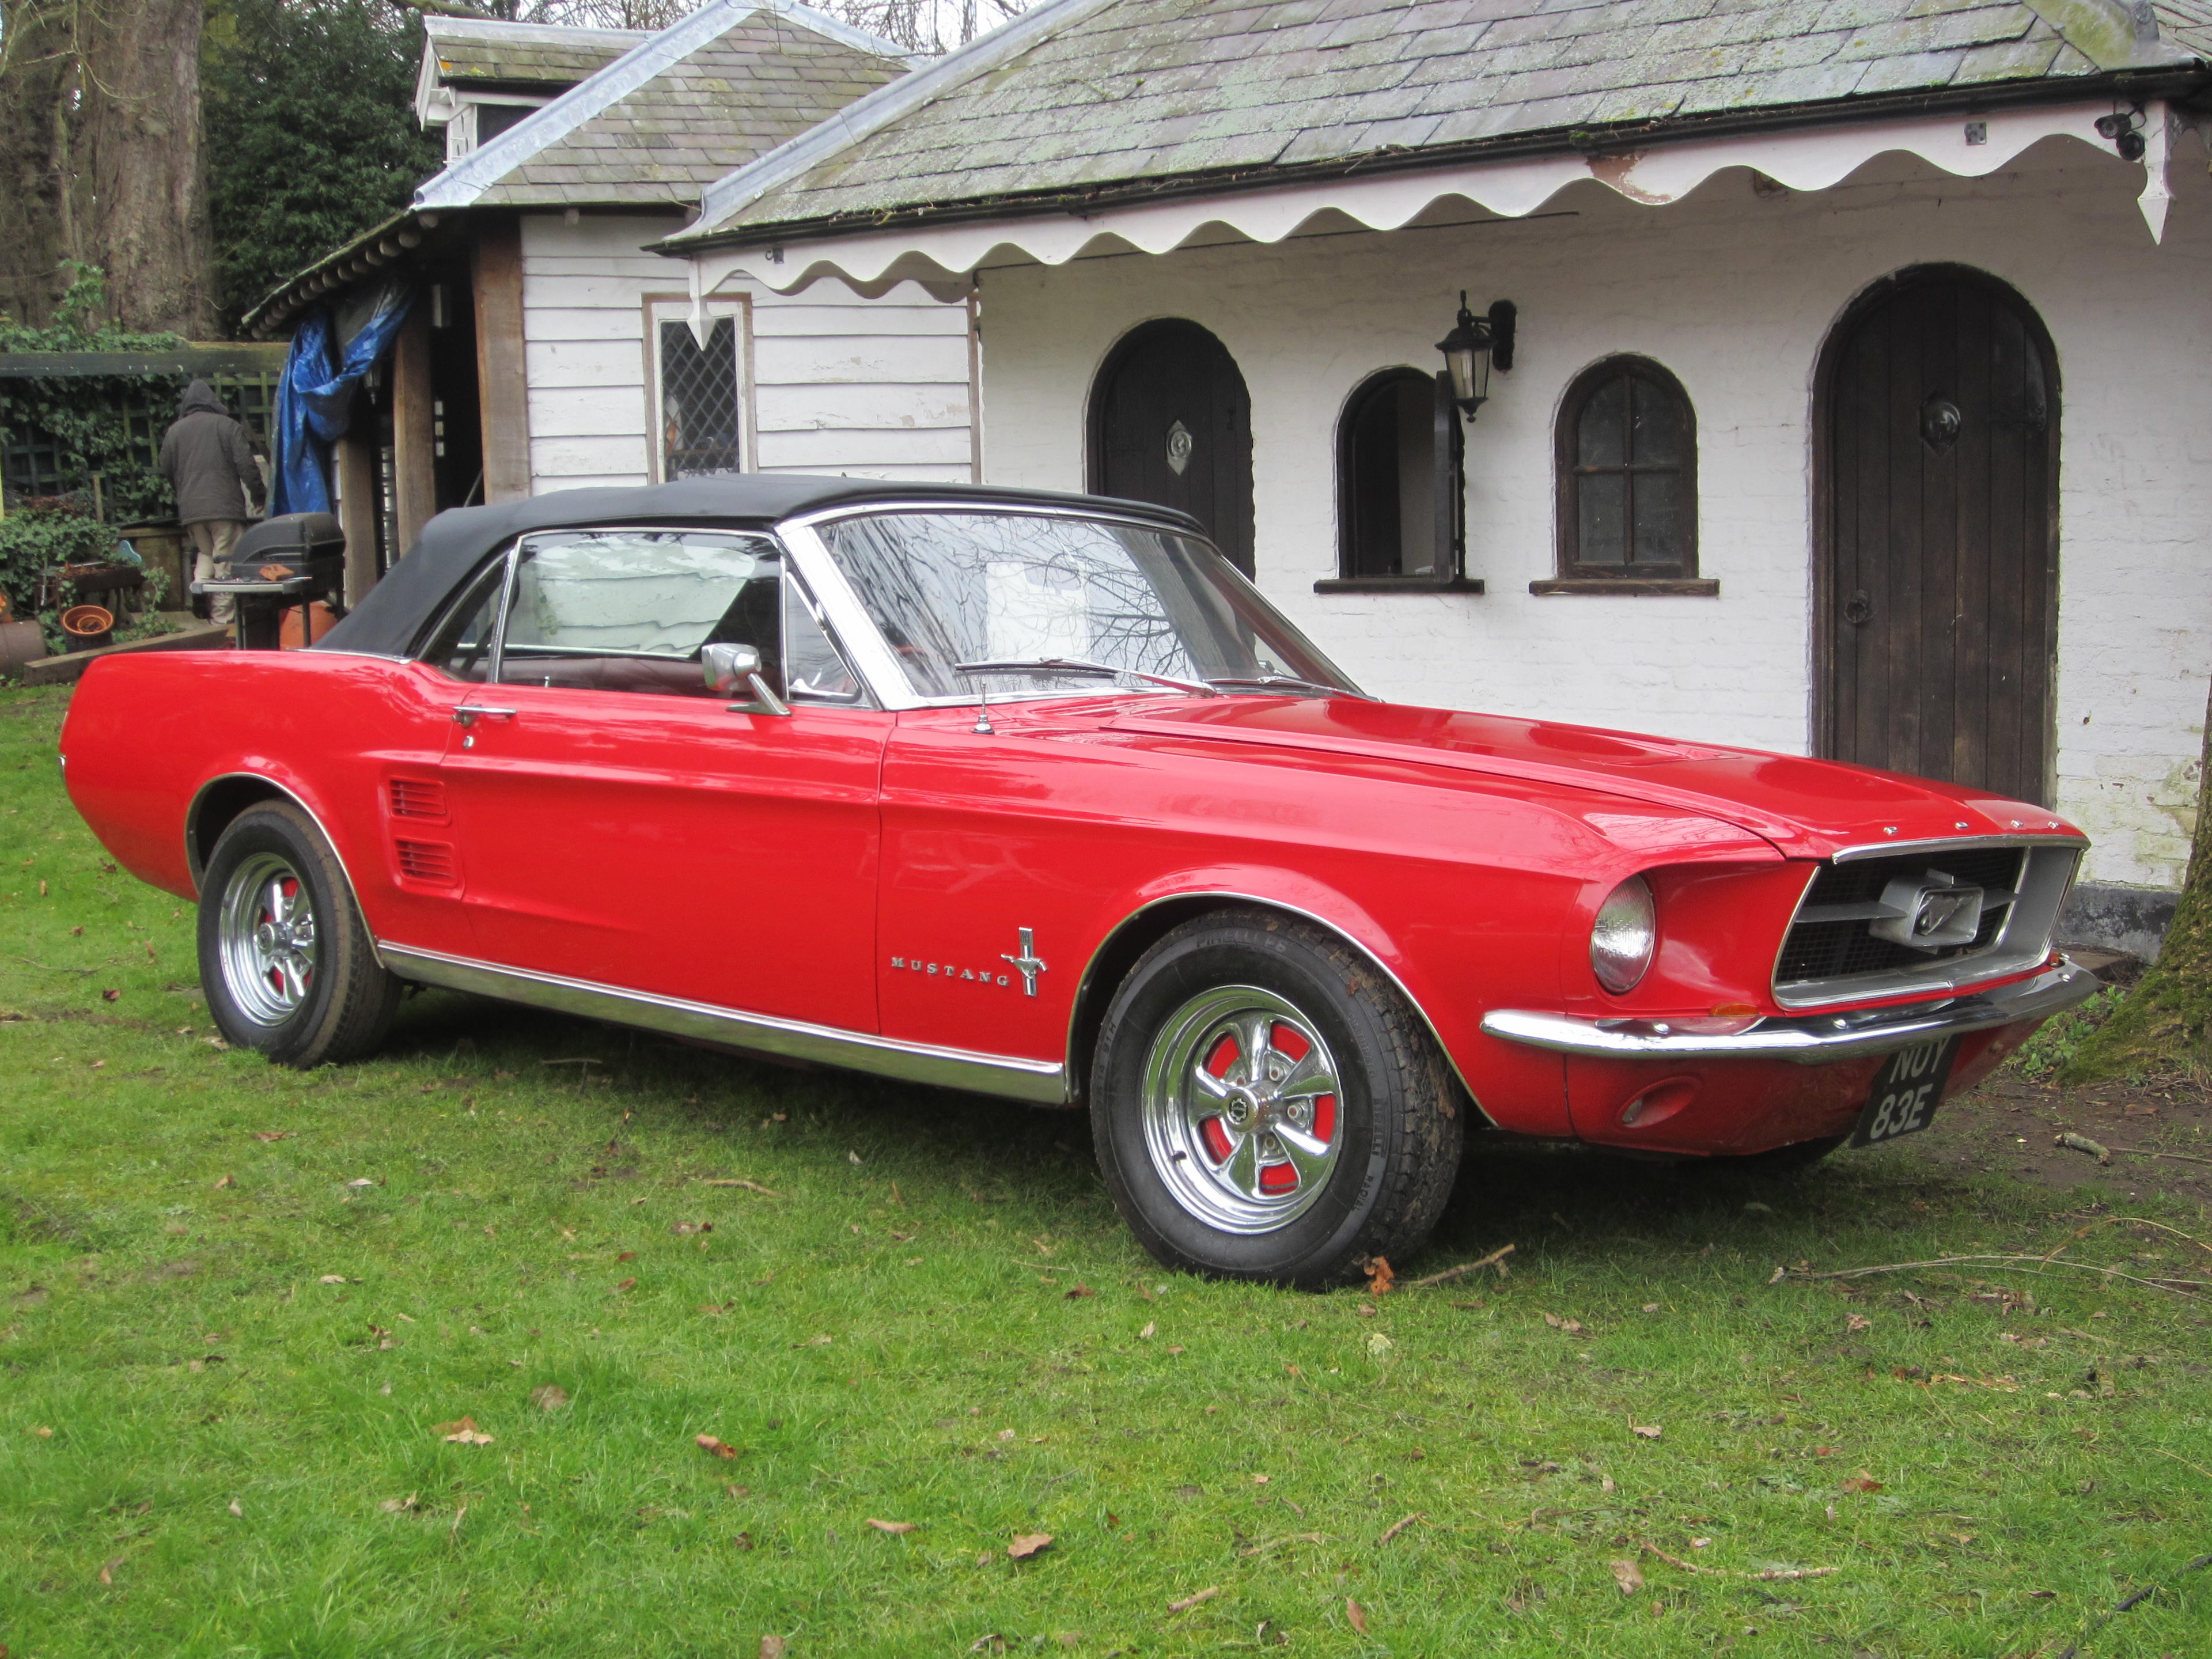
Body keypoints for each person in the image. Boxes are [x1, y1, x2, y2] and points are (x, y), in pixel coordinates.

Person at [159, 380, 265, 626]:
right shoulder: (227, 426)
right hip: (224, 508)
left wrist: (182, 493)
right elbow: (247, 466)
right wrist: (258, 495)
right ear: (213, 402)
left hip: (192, 510)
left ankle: (199, 591)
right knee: (225, 563)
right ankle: (222, 622)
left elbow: (166, 468)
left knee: (206, 554)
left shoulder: (175, 431)